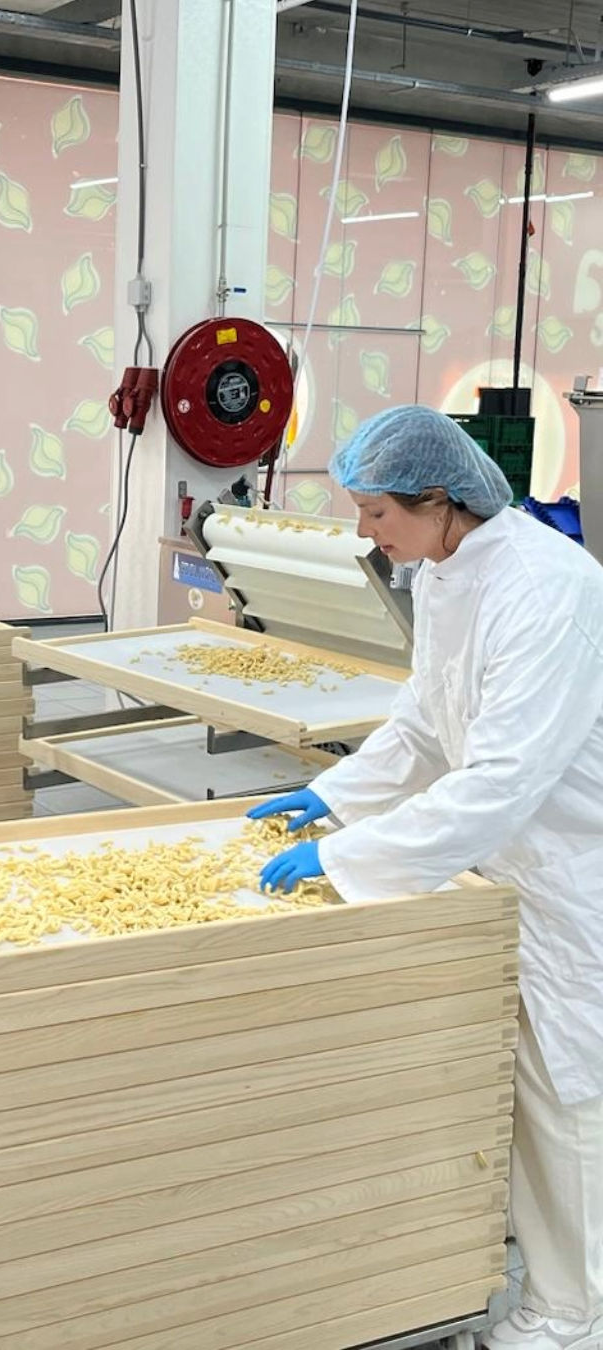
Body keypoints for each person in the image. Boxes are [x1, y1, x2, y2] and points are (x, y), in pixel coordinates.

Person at [250, 405, 603, 1350]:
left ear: (440, 500)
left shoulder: (550, 587)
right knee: (507, 1069)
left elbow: (504, 777)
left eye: (377, 513)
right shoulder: (447, 571)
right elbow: (423, 721)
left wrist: (348, 857)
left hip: (567, 867)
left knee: (563, 1089)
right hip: (494, 857)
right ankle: (523, 1241)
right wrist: (333, 797)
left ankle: (572, 1311)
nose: (368, 534)